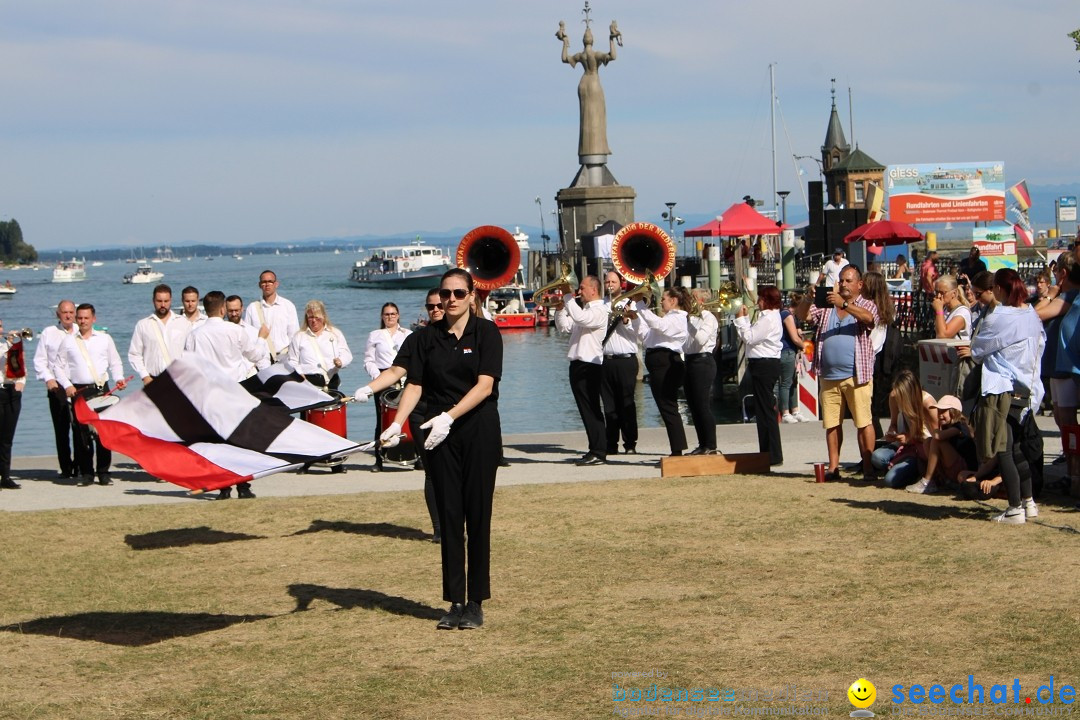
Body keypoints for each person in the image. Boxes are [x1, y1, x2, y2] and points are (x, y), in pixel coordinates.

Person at [380, 268, 503, 630]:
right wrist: (395, 422)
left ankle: (476, 602)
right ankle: (455, 601)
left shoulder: (487, 333)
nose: (451, 299)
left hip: (477, 430)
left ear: (472, 296)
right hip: (438, 434)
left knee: (477, 516)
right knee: (450, 517)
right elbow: (414, 385)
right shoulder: (425, 338)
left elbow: (484, 386)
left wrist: (450, 416)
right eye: (445, 293)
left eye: (458, 293)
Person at [354, 289, 446, 542]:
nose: (435, 310)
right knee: (431, 471)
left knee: (455, 472)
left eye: (440, 305)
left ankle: (456, 522)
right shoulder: (417, 338)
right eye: (430, 307)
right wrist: (368, 388)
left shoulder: (463, 335)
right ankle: (439, 529)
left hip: (451, 412)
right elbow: (396, 370)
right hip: (421, 412)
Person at [958, 269, 1044, 524]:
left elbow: (979, 348)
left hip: (1002, 388)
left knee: (1004, 449)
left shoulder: (999, 317)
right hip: (1028, 387)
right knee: (1016, 448)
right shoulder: (1031, 313)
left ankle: (1015, 507)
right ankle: (1028, 503)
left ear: (998, 289)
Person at [796, 265, 880, 481]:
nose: (843, 284)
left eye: (848, 281)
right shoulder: (826, 305)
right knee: (832, 424)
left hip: (857, 375)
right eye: (841, 280)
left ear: (859, 284)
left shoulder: (865, 304)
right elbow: (803, 315)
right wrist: (808, 298)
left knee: (863, 421)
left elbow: (869, 319)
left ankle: (868, 467)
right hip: (828, 375)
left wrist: (844, 304)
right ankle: (833, 467)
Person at [185, 291, 270, 499]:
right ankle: (243, 485)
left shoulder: (195, 334)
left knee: (219, 441)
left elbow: (189, 365)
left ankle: (224, 486)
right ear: (223, 309)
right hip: (235, 389)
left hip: (210, 393)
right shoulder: (234, 331)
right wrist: (261, 338)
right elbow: (256, 355)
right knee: (241, 440)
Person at [54, 303, 127, 487]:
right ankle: (86, 473)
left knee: (104, 432)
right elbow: (58, 366)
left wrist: (119, 378)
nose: (83, 321)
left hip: (102, 389)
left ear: (94, 319)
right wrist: (67, 385)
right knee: (81, 433)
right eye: (80, 318)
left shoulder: (104, 339)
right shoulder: (68, 341)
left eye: (86, 318)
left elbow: (115, 362)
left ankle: (103, 472)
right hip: (79, 389)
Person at [554, 276, 608, 465]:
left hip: (589, 365)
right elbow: (565, 327)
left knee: (592, 408)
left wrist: (567, 295)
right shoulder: (584, 310)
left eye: (582, 288)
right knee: (584, 409)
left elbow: (580, 318)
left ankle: (600, 450)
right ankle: (594, 447)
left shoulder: (600, 310)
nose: (579, 292)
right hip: (577, 364)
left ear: (594, 290)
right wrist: (560, 309)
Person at [633, 288, 691, 457]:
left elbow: (658, 325)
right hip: (658, 363)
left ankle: (677, 450)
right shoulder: (667, 319)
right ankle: (677, 448)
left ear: (673, 301)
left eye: (664, 298)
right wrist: (636, 318)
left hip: (666, 364)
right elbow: (646, 337)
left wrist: (640, 304)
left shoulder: (678, 319)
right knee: (665, 406)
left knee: (668, 406)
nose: (661, 301)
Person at [734, 286, 783, 465]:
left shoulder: (768, 318)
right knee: (763, 410)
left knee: (765, 411)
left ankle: (772, 454)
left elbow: (749, 337)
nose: (758, 302)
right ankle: (767, 452)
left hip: (764, 364)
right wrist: (745, 319)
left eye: (761, 298)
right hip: (764, 364)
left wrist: (740, 320)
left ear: (767, 300)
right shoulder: (769, 317)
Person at [557, 20, 620, 158]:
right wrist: (611, 39)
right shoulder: (596, 55)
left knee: (586, 117)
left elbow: (564, 58)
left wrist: (565, 42)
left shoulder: (580, 55)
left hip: (583, 84)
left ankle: (587, 148)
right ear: (593, 41)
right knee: (597, 116)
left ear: (583, 41)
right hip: (593, 83)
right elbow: (613, 56)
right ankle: (599, 147)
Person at [364, 302, 412, 472]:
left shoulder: (408, 334)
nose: (390, 317)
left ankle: (415, 455)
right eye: (386, 314)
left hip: (405, 378)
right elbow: (369, 360)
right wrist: (379, 378)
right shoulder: (375, 335)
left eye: (393, 314)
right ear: (382, 317)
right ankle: (379, 459)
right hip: (383, 378)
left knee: (409, 417)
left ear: (398, 315)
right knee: (381, 420)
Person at [869, 370, 937, 489]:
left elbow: (936, 439)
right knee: (877, 457)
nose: (897, 397)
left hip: (922, 450)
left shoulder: (927, 404)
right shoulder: (894, 397)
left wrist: (910, 438)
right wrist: (892, 433)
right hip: (902, 444)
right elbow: (894, 423)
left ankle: (913, 469)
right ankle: (901, 466)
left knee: (890, 481)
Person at [33, 299, 77, 478]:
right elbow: (39, 360)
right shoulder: (48, 333)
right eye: (64, 312)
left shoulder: (80, 333)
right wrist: (48, 379)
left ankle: (82, 466)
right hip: (56, 386)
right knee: (61, 429)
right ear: (58, 314)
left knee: (80, 428)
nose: (68, 316)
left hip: (77, 384)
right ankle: (66, 468)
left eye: (71, 312)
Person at [601, 271, 639, 455]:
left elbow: (639, 335)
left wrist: (627, 321)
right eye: (607, 281)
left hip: (625, 359)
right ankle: (611, 443)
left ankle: (630, 443)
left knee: (626, 403)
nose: (610, 284)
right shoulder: (600, 305)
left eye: (613, 281)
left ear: (621, 283)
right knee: (608, 405)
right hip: (605, 360)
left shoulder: (630, 304)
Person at [909, 395, 977, 494]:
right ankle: (941, 479)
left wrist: (934, 425)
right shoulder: (946, 427)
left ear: (953, 411)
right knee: (928, 441)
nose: (940, 415)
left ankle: (927, 482)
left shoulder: (959, 426)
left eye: (943, 411)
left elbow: (938, 437)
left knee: (936, 441)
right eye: (939, 411)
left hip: (964, 468)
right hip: (953, 466)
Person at [127, 284, 190, 385]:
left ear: (171, 300)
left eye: (166, 301)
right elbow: (134, 354)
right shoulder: (143, 325)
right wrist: (145, 376)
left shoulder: (184, 323)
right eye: (159, 301)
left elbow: (191, 352)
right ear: (153, 301)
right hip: (152, 381)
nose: (163, 305)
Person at [683, 289, 719, 455]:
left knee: (702, 404)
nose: (689, 301)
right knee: (693, 405)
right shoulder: (691, 318)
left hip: (703, 362)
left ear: (702, 301)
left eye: (693, 298)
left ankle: (710, 444)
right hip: (690, 361)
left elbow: (700, 339)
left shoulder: (708, 317)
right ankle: (702, 443)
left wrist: (688, 323)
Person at [289, 300, 352, 392]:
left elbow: (346, 354)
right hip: (308, 385)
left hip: (331, 383)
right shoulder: (299, 336)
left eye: (316, 317)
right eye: (310, 317)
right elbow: (292, 361)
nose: (314, 321)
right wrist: (301, 376)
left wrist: (340, 362)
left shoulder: (335, 333)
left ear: (324, 317)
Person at [243, 270, 299, 363]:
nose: (267, 284)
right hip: (261, 360)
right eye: (264, 282)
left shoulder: (288, 306)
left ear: (276, 284)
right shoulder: (252, 308)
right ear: (260, 285)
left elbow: (294, 335)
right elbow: (248, 337)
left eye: (270, 281)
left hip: (284, 358)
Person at [0, 321, 27, 490]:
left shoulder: (7, 346)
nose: (0, 329)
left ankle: (5, 476)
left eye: (0, 326)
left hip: (11, 393)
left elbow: (19, 366)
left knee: (7, 439)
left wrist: (22, 382)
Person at [778, 294, 807, 424]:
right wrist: (804, 345)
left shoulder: (792, 316)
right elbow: (794, 338)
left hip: (791, 351)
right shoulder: (787, 315)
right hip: (786, 351)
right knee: (785, 383)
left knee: (793, 382)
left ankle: (795, 410)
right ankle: (785, 412)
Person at [225, 295, 263, 378]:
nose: (234, 314)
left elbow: (261, 358)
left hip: (250, 377)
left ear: (242, 309)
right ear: (225, 310)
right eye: (230, 311)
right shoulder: (221, 331)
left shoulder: (253, 331)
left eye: (236, 310)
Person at [932, 275, 971, 341]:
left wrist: (939, 310)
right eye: (936, 292)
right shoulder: (944, 309)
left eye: (942, 293)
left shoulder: (962, 312)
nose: (938, 296)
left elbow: (943, 336)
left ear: (954, 293)